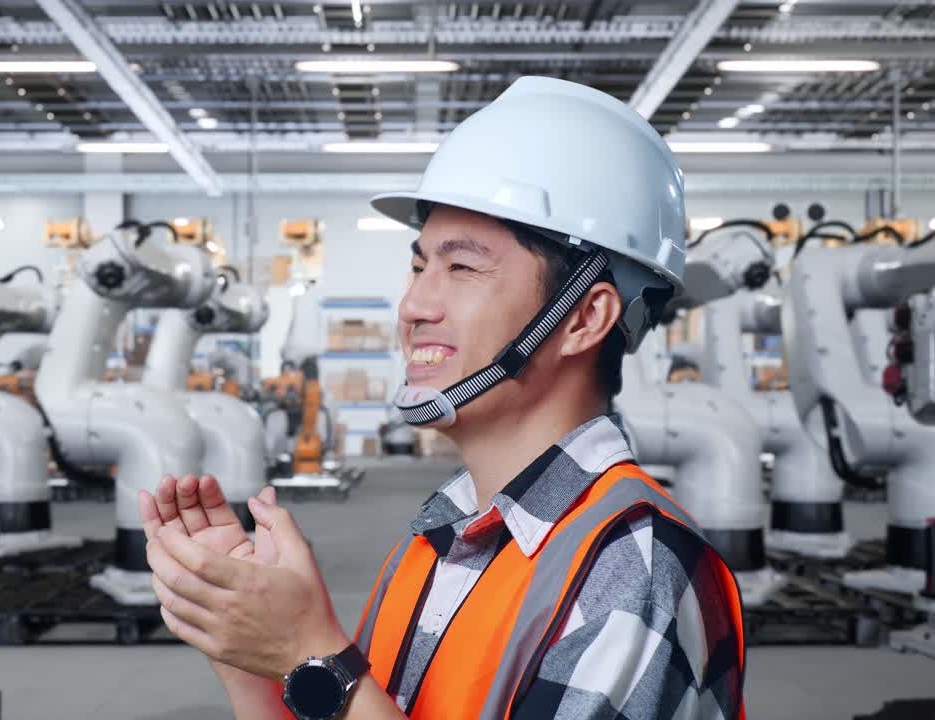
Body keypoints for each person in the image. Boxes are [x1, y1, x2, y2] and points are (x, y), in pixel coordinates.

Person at [139, 76, 746, 720]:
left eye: (462, 268)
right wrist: (248, 652)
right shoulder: (444, 533)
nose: (413, 306)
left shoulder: (632, 564)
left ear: (584, 319)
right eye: (420, 264)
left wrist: (310, 653)